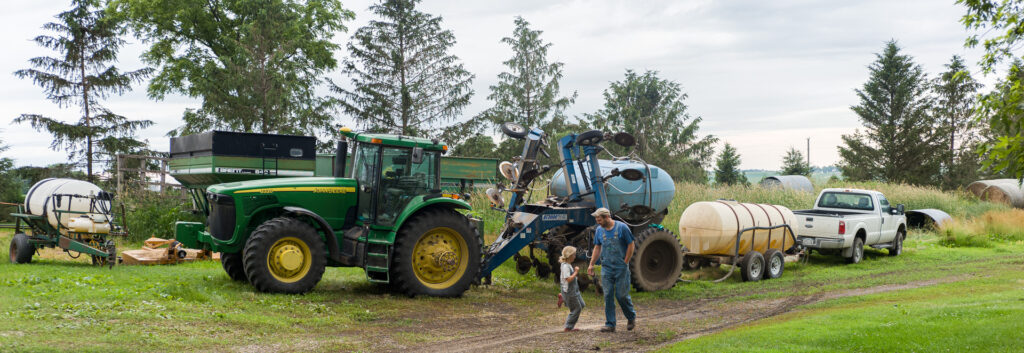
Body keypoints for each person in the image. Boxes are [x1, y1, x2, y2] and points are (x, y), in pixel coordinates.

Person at [587, 207, 636, 332]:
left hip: (621, 267)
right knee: (608, 294)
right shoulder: (599, 231)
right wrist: (591, 264)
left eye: (599, 220)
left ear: (607, 217)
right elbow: (597, 248)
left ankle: (631, 317)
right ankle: (610, 324)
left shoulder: (622, 228)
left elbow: (631, 245)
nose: (598, 222)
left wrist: (625, 261)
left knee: (621, 295)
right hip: (607, 267)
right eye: (597, 220)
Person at [558, 246, 584, 332]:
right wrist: (576, 272)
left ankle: (563, 298)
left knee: (582, 304)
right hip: (570, 291)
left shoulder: (568, 264)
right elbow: (568, 279)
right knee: (577, 308)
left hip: (574, 290)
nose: (575, 257)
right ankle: (568, 327)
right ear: (569, 255)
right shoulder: (565, 266)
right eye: (574, 255)